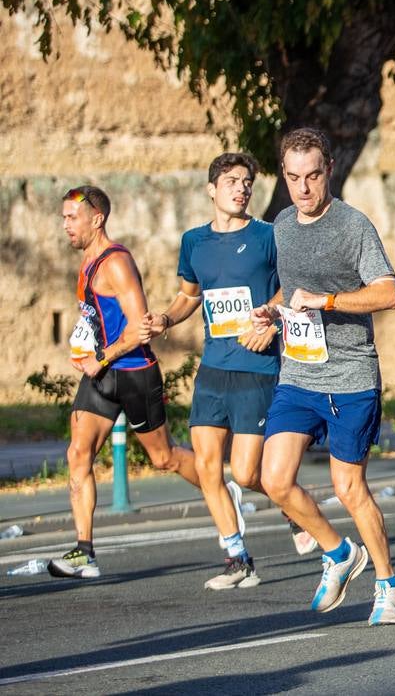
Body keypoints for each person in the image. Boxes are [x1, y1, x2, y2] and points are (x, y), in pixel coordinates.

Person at [251, 128, 395, 624]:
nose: (303, 188)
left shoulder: (353, 226)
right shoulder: (281, 223)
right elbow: (292, 290)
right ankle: (340, 553)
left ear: (329, 170)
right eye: (294, 177)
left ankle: (390, 584)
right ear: (284, 175)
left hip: (350, 376)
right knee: (273, 480)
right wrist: (271, 312)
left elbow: (388, 293)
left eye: (313, 176)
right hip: (299, 375)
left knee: (349, 488)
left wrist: (330, 301)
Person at [141, 153, 286, 590]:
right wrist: (166, 319)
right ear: (211, 189)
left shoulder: (268, 236)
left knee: (245, 473)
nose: (240, 189)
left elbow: (292, 285)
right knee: (207, 469)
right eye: (231, 182)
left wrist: (273, 318)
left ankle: (293, 503)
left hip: (256, 366)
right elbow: (190, 295)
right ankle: (237, 559)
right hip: (213, 367)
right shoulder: (194, 241)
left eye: (247, 182)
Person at [49, 186, 201, 579]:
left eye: (72, 217)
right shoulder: (86, 261)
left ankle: (219, 491)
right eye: (64, 217)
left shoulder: (116, 263)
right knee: (77, 455)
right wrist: (85, 345)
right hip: (100, 376)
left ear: (96, 219)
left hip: (134, 373)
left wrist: (100, 357)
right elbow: (97, 317)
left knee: (163, 457)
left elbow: (140, 329)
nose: (65, 225)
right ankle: (84, 553)